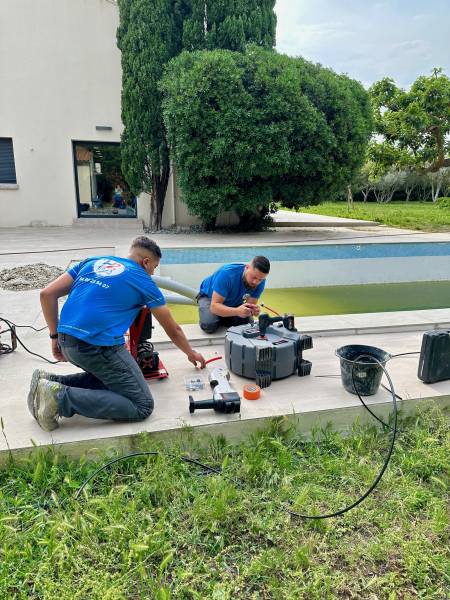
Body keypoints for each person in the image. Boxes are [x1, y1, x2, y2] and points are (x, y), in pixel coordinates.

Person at [28, 236, 206, 431]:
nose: (153, 272)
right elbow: (173, 328)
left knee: (116, 379)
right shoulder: (143, 280)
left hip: (67, 340)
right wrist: (191, 353)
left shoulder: (92, 262)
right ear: (145, 262)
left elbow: (47, 294)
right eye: (154, 267)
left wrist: (55, 337)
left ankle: (50, 382)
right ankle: (58, 398)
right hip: (95, 346)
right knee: (142, 405)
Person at [197, 256, 270, 334]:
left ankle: (222, 315)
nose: (256, 282)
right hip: (209, 297)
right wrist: (236, 311)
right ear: (247, 267)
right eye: (254, 277)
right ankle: (218, 315)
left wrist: (253, 311)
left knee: (247, 323)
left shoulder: (260, 281)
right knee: (209, 325)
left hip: (234, 302)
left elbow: (249, 306)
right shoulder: (226, 274)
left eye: (260, 279)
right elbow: (214, 306)